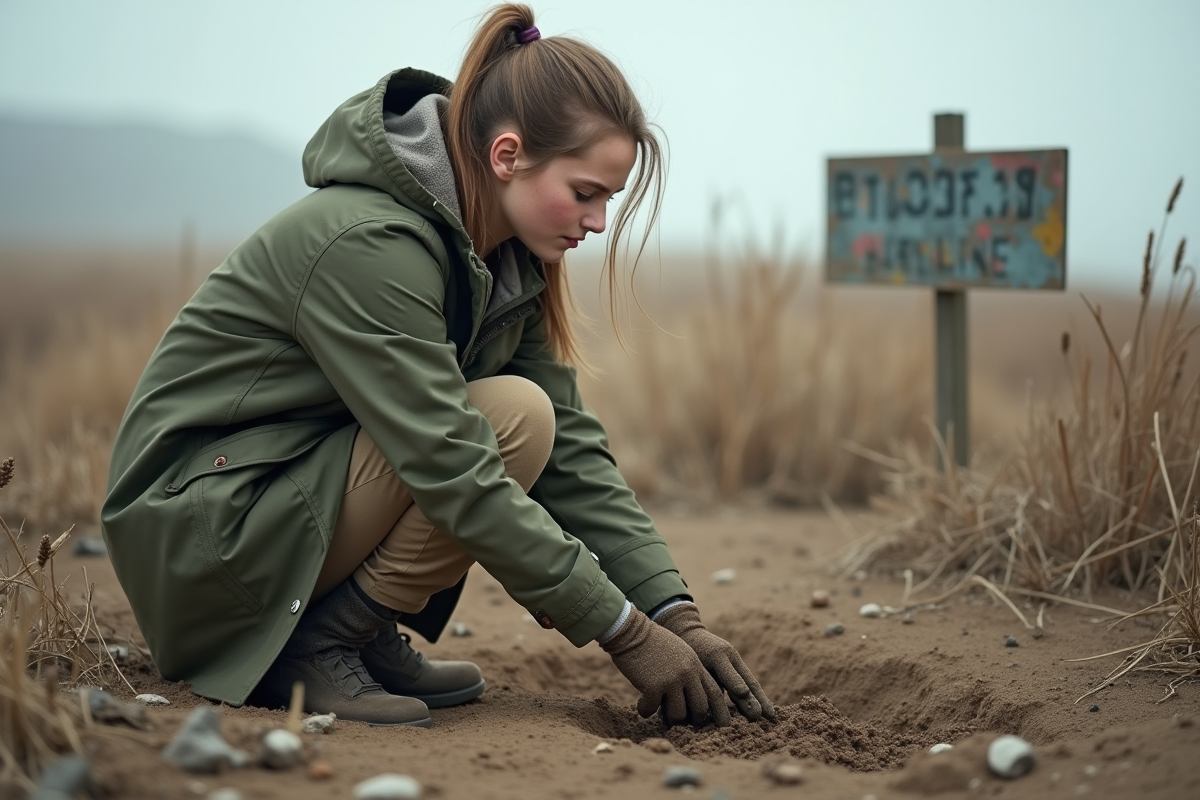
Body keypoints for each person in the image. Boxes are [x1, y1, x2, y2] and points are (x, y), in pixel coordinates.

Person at [101, 3, 774, 729]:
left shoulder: (507, 262)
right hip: (206, 540)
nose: (599, 222)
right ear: (508, 155)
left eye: (609, 199)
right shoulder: (371, 245)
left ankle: (344, 626)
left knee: (534, 419)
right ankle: (318, 642)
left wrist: (674, 611)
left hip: (281, 497)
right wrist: (623, 632)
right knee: (512, 419)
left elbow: (573, 454)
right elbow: (453, 466)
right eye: (586, 193)